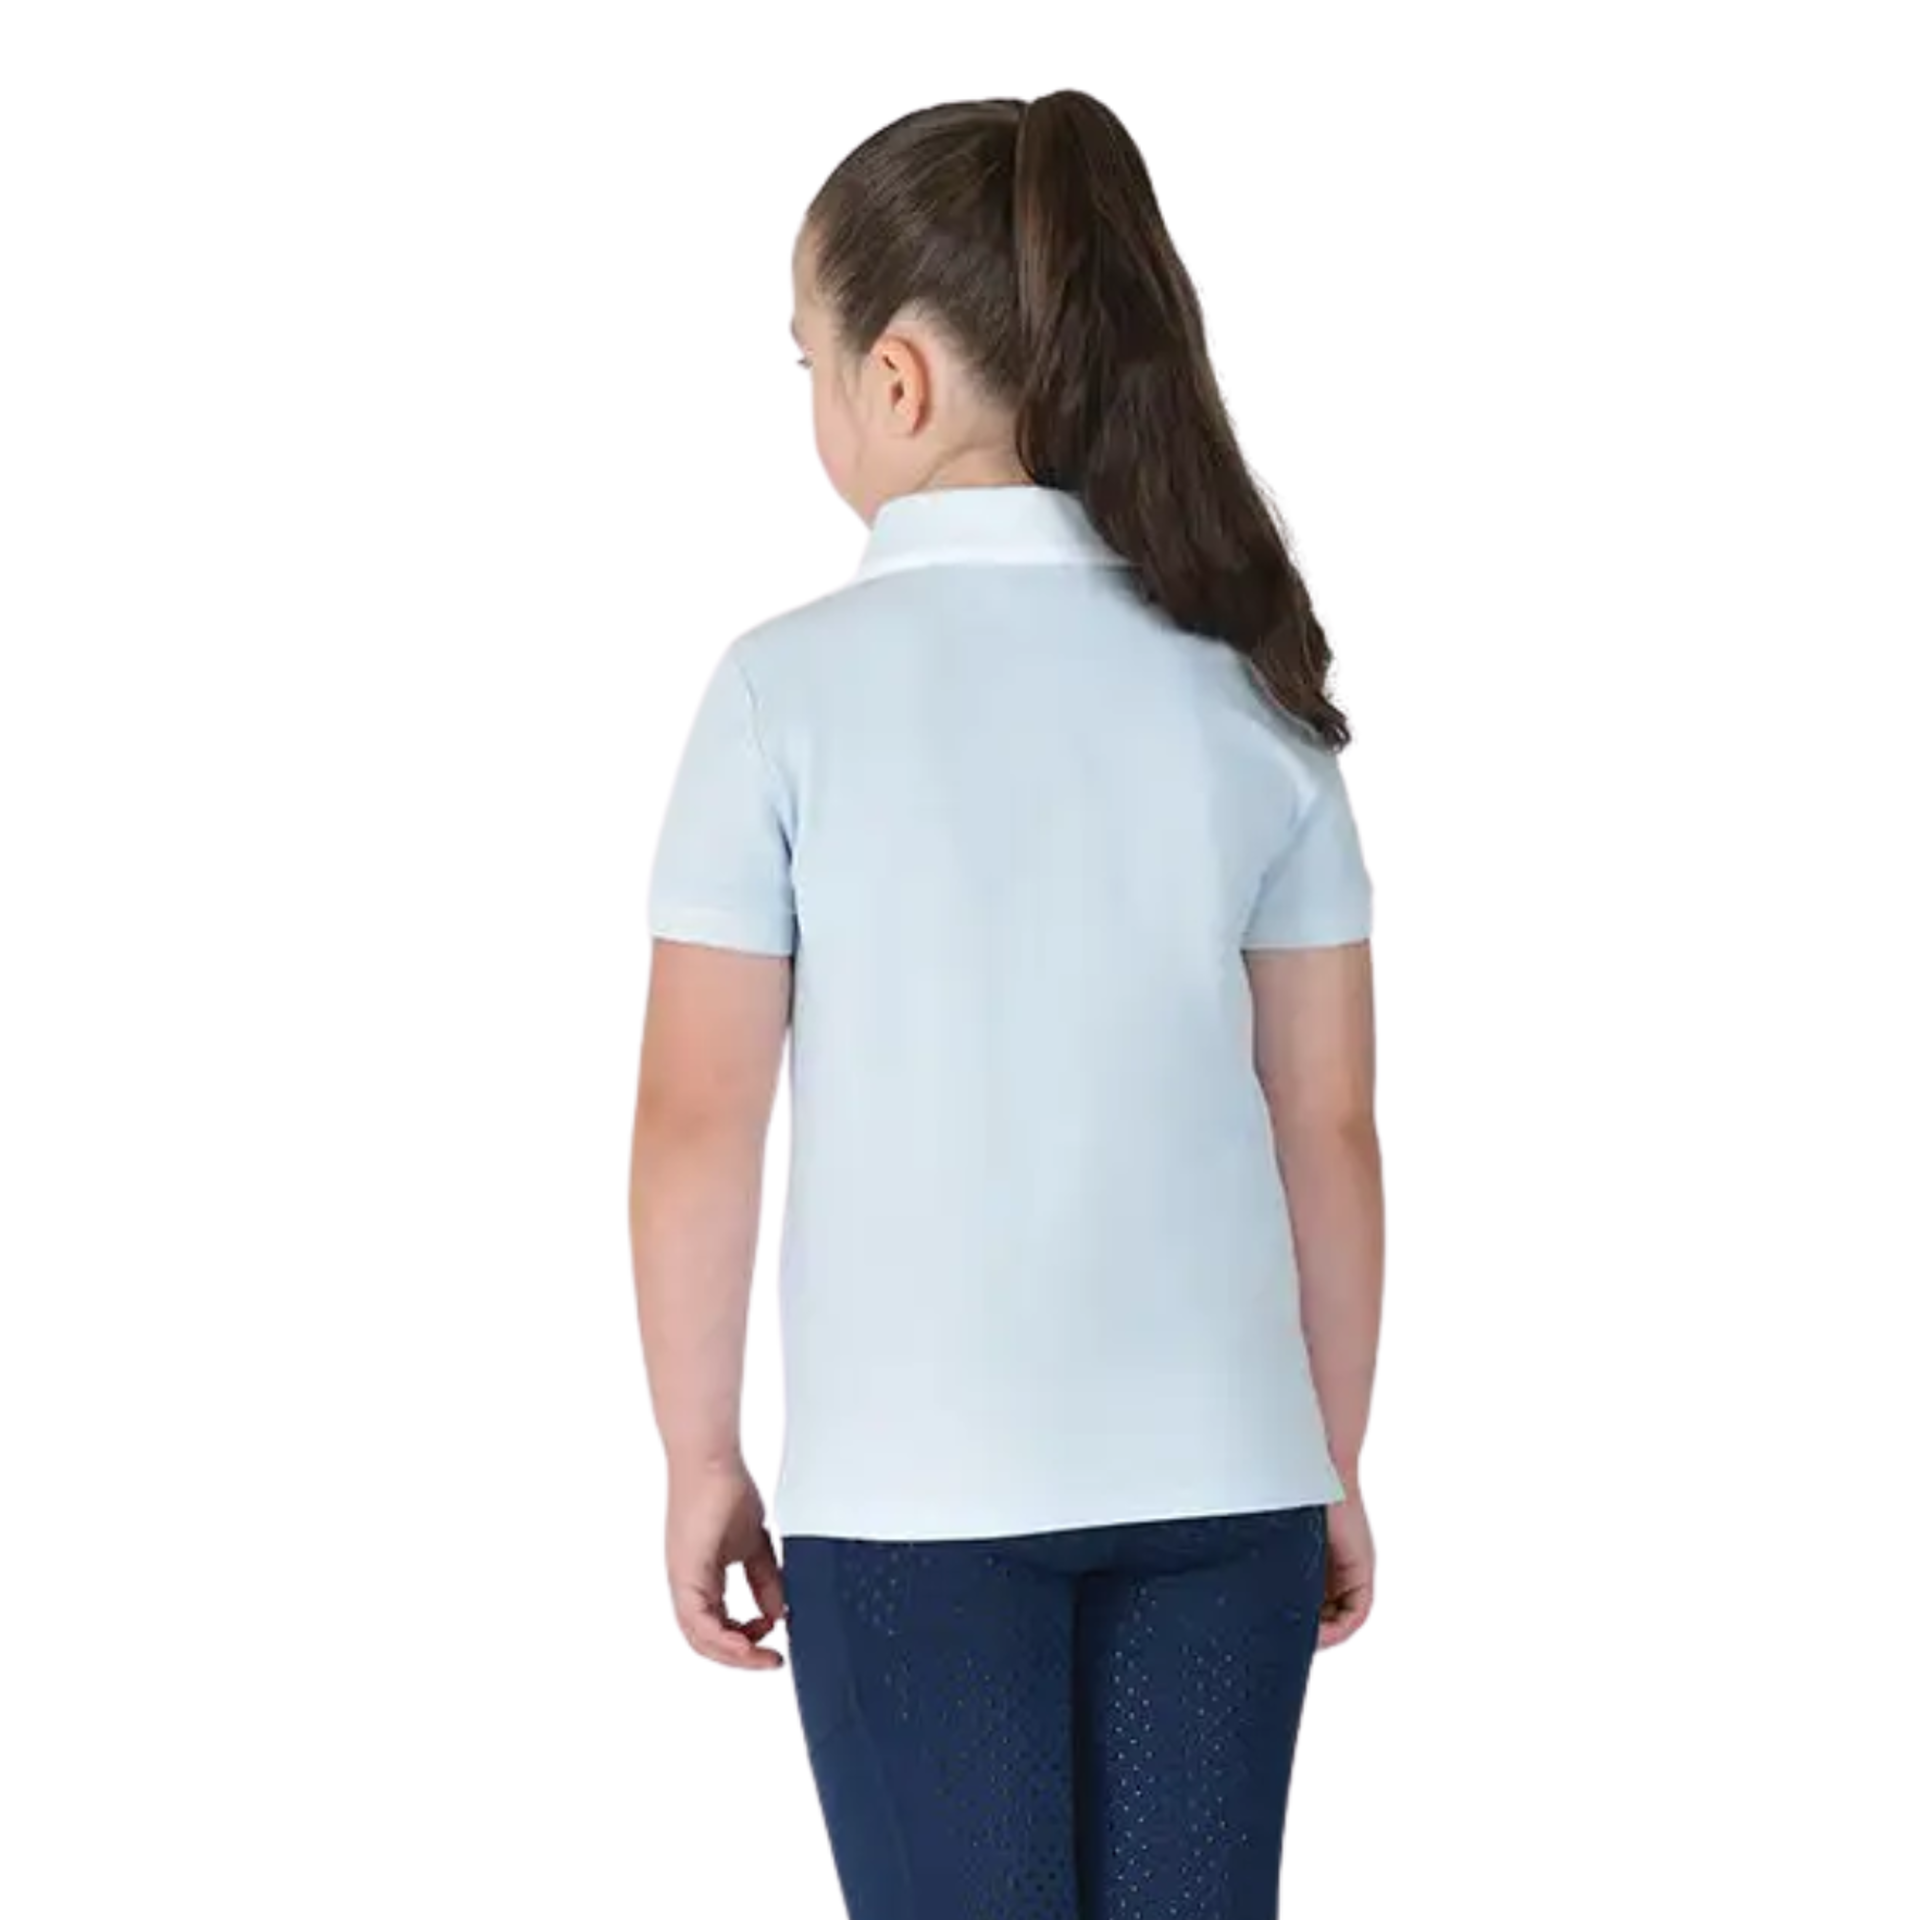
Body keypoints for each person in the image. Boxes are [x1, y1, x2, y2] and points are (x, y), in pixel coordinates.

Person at [629, 87, 1384, 1919]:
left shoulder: (782, 695)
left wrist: (701, 1452)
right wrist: (1332, 1457)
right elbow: (1329, 1128)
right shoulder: (1254, 690)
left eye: (804, 360)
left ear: (892, 381)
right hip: (1225, 1492)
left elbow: (699, 1120)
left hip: (914, 1510)